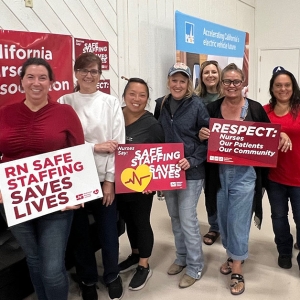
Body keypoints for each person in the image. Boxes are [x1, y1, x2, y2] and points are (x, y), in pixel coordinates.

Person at [0, 57, 85, 300]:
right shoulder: (5, 113)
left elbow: (77, 156)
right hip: (14, 199)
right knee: (34, 259)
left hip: (57, 200)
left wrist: (77, 193)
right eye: (30, 77)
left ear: (51, 83)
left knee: (51, 269)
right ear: (21, 82)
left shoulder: (65, 113)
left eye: (42, 77)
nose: (36, 82)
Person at [199, 63, 276, 295]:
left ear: (243, 84)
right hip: (219, 174)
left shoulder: (255, 109)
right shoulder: (212, 108)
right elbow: (203, 135)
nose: (231, 86)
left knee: (238, 221)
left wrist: (278, 134)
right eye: (227, 81)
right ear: (221, 84)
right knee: (223, 220)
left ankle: (237, 268)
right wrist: (203, 135)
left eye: (236, 82)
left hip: (245, 174)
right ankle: (233, 255)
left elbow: (268, 138)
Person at [58, 52, 125, 300]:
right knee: (79, 234)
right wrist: (94, 147)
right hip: (74, 178)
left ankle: (111, 275)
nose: (89, 75)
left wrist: (110, 180)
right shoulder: (65, 101)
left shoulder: (110, 102)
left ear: (100, 75)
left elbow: (118, 143)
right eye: (84, 70)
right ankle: (87, 278)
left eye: (94, 71)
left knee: (108, 231)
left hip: (102, 177)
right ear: (75, 73)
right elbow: (62, 142)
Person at [154, 62, 209, 288]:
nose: (178, 84)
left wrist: (193, 159)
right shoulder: (161, 104)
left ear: (189, 83)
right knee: (175, 217)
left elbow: (209, 140)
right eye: (174, 80)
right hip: (168, 171)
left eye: (182, 80)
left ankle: (195, 266)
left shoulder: (197, 105)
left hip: (192, 171)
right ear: (168, 82)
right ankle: (181, 257)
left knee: (187, 219)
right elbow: (157, 137)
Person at [116, 77, 164, 290]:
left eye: (142, 95)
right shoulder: (114, 116)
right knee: (127, 220)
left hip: (143, 185)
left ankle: (144, 264)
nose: (137, 99)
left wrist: (154, 182)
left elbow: (161, 155)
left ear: (147, 99)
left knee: (141, 221)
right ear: (124, 95)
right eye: (132, 94)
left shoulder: (152, 124)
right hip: (118, 182)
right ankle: (135, 254)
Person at [263, 67, 300, 270]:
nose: (283, 89)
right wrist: (277, 133)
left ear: (293, 87)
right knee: (278, 216)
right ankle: (284, 250)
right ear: (272, 88)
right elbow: (253, 135)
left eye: (287, 85)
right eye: (278, 85)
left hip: (299, 176)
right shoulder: (264, 111)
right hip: (275, 176)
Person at [195, 60, 222, 246]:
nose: (210, 75)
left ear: (219, 75)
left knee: (224, 190)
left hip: (224, 152)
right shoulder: (195, 99)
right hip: (202, 152)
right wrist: (199, 133)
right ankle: (214, 226)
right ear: (201, 76)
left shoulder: (228, 95)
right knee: (210, 191)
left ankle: (225, 225)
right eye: (206, 72)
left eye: (213, 72)